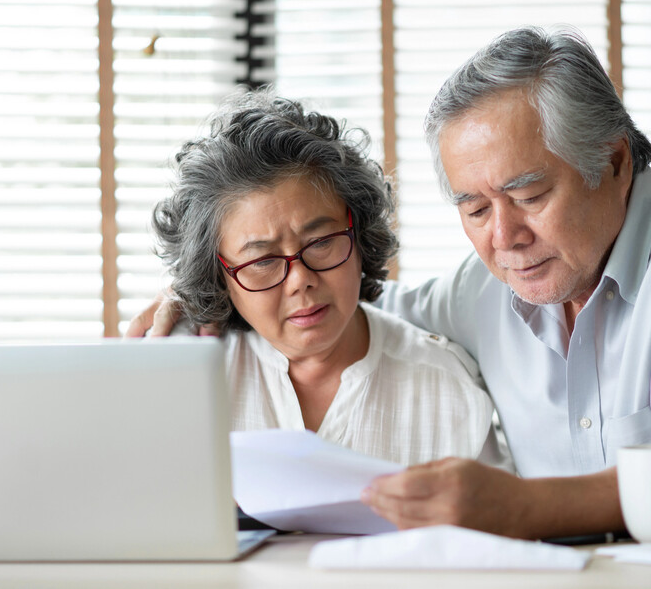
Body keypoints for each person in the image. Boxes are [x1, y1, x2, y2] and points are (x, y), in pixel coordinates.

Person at [132, 27, 651, 538]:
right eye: (472, 207)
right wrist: (207, 296)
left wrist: (509, 508)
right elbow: (347, 302)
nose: (502, 238)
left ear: (612, 161)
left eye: (529, 195)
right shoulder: (490, 286)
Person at [148, 88, 511, 470]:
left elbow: (488, 523)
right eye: (263, 260)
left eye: (321, 242)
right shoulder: (185, 374)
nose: (299, 280)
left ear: (359, 234)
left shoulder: (445, 388)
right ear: (220, 274)